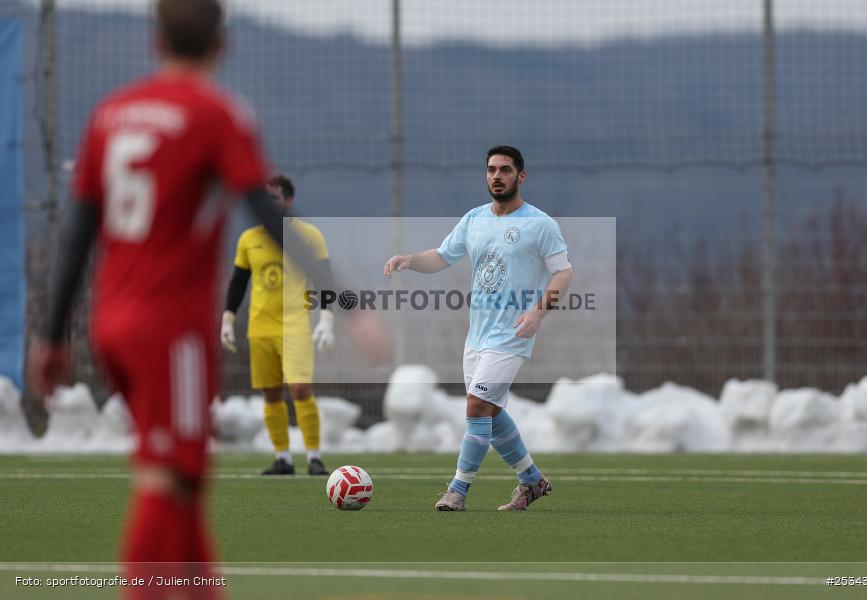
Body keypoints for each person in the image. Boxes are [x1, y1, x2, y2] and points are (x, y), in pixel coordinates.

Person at [26, 1, 384, 596]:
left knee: (183, 479)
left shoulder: (109, 115)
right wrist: (348, 304)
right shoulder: (218, 114)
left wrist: (55, 333)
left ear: (154, 42)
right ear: (225, 43)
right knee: (165, 481)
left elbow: (78, 230)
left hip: (110, 321)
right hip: (167, 330)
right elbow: (268, 214)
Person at [384, 145, 573, 511]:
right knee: (490, 411)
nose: (497, 176)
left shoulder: (540, 224)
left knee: (476, 405)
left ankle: (458, 490)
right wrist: (409, 260)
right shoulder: (474, 219)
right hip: (478, 337)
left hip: (512, 335)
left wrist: (538, 312)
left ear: (521, 176)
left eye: (505, 169)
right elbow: (441, 256)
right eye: (491, 170)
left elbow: (564, 272)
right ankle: (532, 481)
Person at [221, 174, 332, 476]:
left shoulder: (307, 236)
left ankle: (314, 457)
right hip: (260, 327)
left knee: (298, 388)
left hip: (295, 324)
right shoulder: (248, 239)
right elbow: (238, 282)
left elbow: (324, 279)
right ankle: (283, 458)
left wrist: (326, 318)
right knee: (270, 393)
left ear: (288, 200)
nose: (267, 204)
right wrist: (228, 318)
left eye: (274, 198)